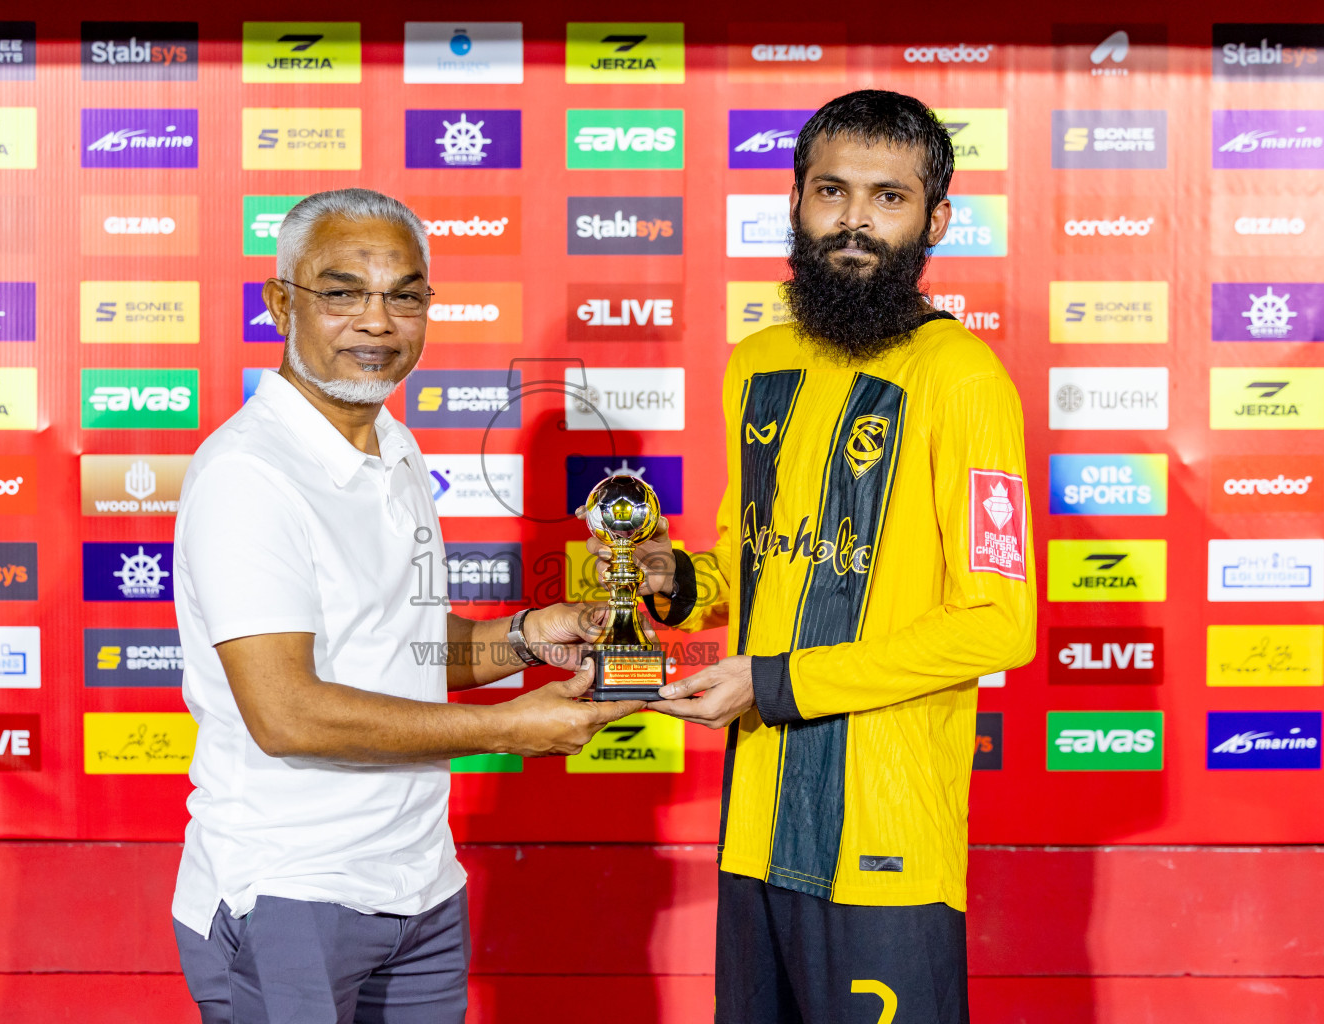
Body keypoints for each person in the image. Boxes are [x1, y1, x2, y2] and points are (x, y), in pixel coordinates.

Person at [591, 91, 1037, 1022]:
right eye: (832, 192)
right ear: (796, 202)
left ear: (935, 220)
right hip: (752, 825)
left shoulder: (964, 380)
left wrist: (778, 682)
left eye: (888, 198)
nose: (855, 222)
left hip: (887, 838)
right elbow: (744, 562)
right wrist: (673, 581)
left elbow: (1001, 620)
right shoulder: (758, 362)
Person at [171, 188, 641, 1024]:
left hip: (420, 883)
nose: (377, 322)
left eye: (405, 295)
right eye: (343, 292)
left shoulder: (393, 442)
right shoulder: (251, 474)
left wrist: (529, 636)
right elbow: (288, 713)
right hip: (291, 892)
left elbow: (400, 647)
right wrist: (506, 729)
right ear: (282, 302)